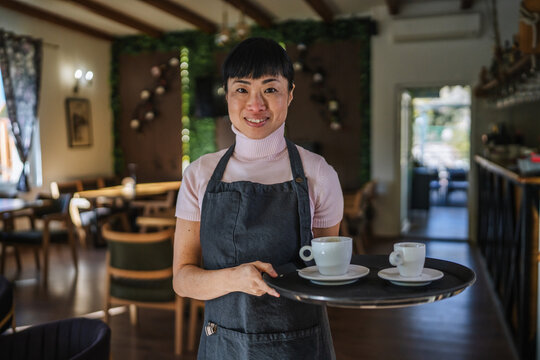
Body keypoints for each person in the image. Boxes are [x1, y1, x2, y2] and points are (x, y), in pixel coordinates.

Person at [173, 37, 343, 359]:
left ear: (289, 94)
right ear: (226, 95)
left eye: (270, 89)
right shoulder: (199, 175)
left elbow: (326, 275)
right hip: (223, 346)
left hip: (299, 346)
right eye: (242, 89)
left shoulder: (319, 175)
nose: (256, 105)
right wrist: (235, 278)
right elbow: (183, 280)